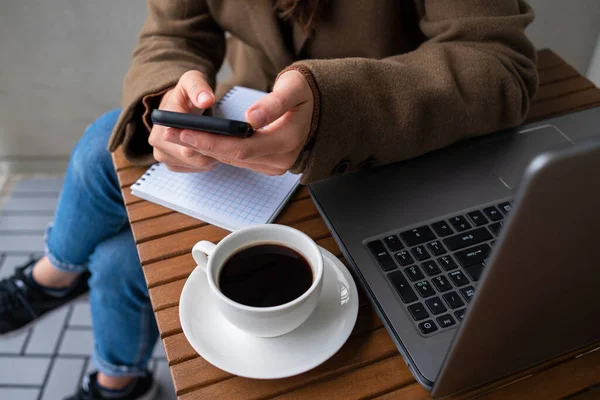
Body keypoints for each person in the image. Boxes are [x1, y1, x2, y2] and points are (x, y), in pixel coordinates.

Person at [0, 1, 538, 399]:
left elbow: (497, 64)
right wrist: (166, 92)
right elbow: (173, 30)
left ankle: (80, 319)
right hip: (247, 131)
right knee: (109, 174)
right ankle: (101, 349)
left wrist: (336, 109)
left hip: (381, 154)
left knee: (119, 258)